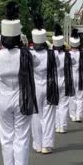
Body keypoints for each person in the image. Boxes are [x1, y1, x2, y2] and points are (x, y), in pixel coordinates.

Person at [0, 2, 38, 165]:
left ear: (2, 38)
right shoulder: (27, 55)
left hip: (3, 97)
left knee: (6, 137)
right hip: (22, 96)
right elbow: (37, 65)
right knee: (22, 137)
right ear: (18, 37)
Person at [30, 14, 56, 154]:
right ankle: (47, 145)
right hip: (49, 85)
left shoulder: (29, 54)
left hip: (35, 86)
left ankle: (38, 144)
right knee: (48, 116)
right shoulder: (52, 54)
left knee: (36, 115)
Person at [52, 24, 75, 133]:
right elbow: (74, 63)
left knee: (56, 106)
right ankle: (63, 127)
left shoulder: (51, 55)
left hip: (54, 81)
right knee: (64, 105)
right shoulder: (67, 55)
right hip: (65, 81)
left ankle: (57, 126)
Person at [69, 29, 83, 123]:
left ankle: (72, 115)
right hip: (81, 76)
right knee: (80, 97)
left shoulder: (67, 54)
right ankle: (78, 116)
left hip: (70, 77)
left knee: (71, 97)